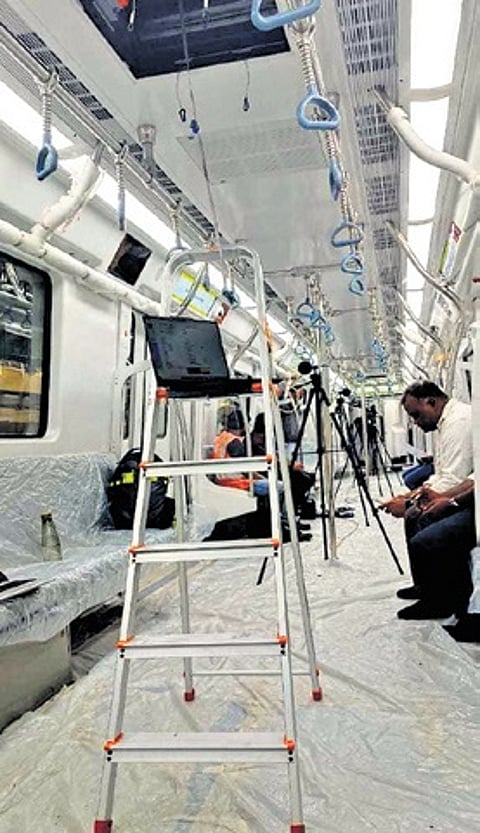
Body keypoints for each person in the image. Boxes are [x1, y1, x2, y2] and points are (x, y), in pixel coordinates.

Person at [381, 380, 475, 620]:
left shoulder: (459, 423)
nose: (415, 421)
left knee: (423, 522)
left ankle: (440, 599)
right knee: (414, 516)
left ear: (431, 402)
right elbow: (442, 474)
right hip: (462, 491)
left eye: (416, 414)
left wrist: (413, 503)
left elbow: (455, 477)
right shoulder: (445, 422)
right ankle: (426, 587)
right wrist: (414, 495)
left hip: (470, 499)